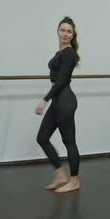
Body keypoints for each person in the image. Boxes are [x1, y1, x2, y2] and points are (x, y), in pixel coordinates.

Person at [35, 17, 81, 193]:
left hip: (65, 101)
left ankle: (75, 180)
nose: (65, 33)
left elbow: (61, 81)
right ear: (58, 31)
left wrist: (44, 100)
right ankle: (61, 175)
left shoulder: (68, 53)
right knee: (42, 138)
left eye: (69, 31)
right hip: (59, 101)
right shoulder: (60, 52)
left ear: (72, 34)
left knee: (69, 141)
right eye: (63, 30)